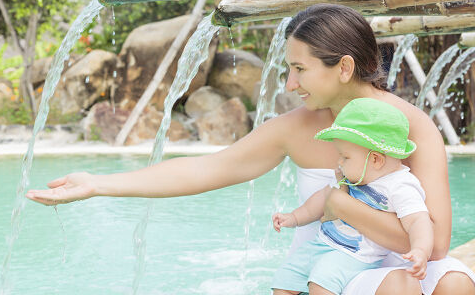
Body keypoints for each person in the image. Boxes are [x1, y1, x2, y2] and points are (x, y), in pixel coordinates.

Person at [26, 3, 475, 294]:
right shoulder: (295, 127)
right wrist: (99, 184)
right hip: (326, 271)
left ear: (343, 67)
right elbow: (205, 170)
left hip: (404, 270)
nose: (291, 83)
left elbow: (434, 246)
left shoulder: (412, 129)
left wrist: (341, 203)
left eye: (299, 69)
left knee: (454, 282)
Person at [271, 98, 433, 295]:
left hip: (354, 256)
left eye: (345, 156)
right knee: (284, 279)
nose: (339, 161)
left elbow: (418, 220)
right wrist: (294, 217)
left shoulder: (401, 186)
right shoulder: (351, 175)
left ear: (375, 159)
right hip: (321, 244)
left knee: (320, 284)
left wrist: (420, 250)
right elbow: (323, 198)